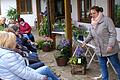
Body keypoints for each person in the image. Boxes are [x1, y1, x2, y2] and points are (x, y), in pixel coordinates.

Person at [82, 6, 120, 80]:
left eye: (94, 13)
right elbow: (91, 34)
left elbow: (113, 34)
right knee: (103, 67)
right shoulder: (93, 22)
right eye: (91, 14)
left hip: (110, 50)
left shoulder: (107, 20)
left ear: (99, 12)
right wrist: (85, 41)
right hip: (99, 50)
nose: (92, 15)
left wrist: (110, 45)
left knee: (116, 66)